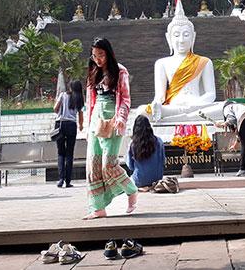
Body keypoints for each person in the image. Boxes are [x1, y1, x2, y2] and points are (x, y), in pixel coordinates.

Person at [84, 37, 138, 219]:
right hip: (95, 122)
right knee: (93, 165)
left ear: (108, 53)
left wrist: (121, 118)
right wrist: (87, 125)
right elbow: (90, 101)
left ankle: (131, 190)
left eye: (101, 55)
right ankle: (98, 208)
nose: (98, 59)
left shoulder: (120, 71)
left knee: (109, 164)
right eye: (94, 56)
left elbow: (125, 99)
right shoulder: (93, 71)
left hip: (113, 120)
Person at [215, 101, 245, 177]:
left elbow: (231, 119)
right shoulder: (239, 107)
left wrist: (223, 124)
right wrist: (235, 144)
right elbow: (239, 132)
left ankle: (242, 169)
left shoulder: (227, 108)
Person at [54, 79, 85, 188]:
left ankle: (60, 179)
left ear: (70, 87)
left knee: (61, 153)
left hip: (60, 125)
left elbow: (55, 109)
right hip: (72, 126)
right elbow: (81, 115)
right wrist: (81, 126)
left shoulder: (63, 95)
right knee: (69, 154)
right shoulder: (79, 99)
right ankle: (68, 181)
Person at [127, 115, 165, 189]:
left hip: (139, 180)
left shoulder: (133, 144)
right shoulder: (159, 141)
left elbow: (130, 166)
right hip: (157, 179)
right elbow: (163, 161)